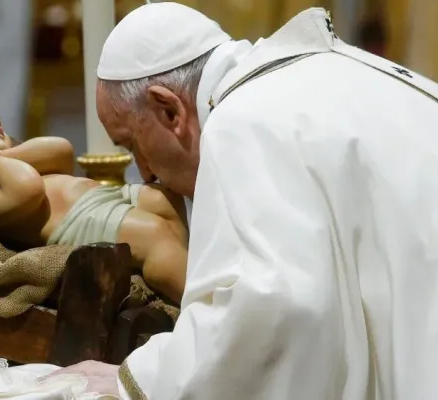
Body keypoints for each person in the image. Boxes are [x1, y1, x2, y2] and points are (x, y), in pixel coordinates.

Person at [50, 3, 438, 399]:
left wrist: (140, 380)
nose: (145, 172)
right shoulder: (339, 75)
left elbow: (274, 311)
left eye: (133, 144)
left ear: (169, 109)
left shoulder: (242, 122)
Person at [0, 96, 189, 304]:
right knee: (155, 237)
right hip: (83, 223)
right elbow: (28, 190)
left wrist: (1, 157)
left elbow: (61, 150)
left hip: (106, 197)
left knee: (166, 198)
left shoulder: (9, 160)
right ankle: (202, 304)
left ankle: (190, 280)